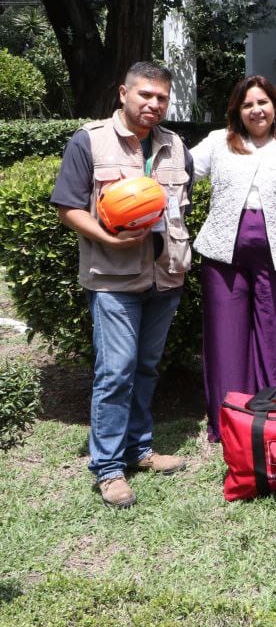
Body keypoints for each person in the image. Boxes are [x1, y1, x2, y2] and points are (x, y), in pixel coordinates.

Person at [51, 61, 192, 508]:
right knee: (115, 371)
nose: (153, 104)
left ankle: (139, 448)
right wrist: (109, 236)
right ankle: (108, 468)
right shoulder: (89, 141)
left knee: (147, 367)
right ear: (123, 93)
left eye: (162, 98)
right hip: (113, 278)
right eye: (145, 95)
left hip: (165, 275)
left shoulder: (174, 144)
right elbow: (68, 207)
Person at [191, 76, 276, 442]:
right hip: (222, 253)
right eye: (247, 105)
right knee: (226, 335)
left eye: (263, 102)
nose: (256, 110)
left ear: (275, 106)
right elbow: (180, 170)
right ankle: (229, 418)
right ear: (237, 111)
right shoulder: (217, 143)